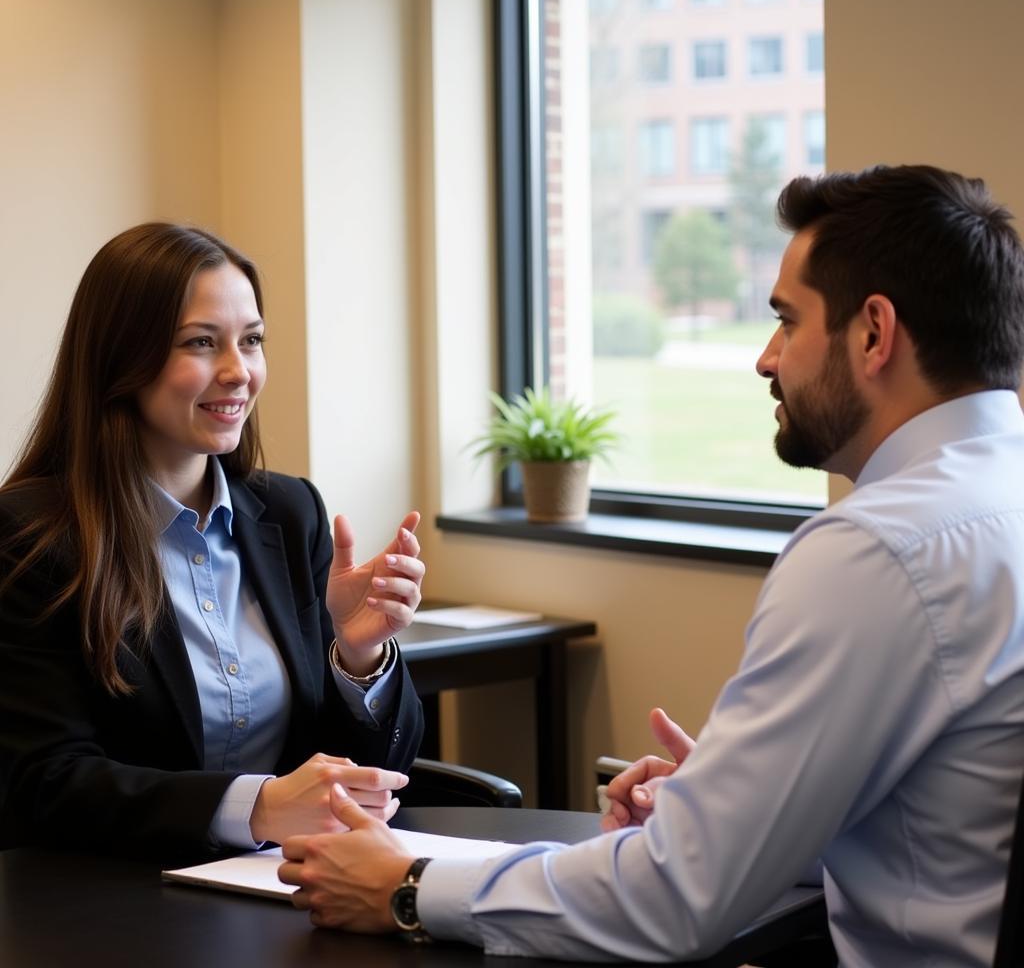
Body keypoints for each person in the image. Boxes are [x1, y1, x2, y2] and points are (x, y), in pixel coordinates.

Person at [278, 165, 1024, 967]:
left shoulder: (878, 550)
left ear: (874, 333)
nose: (766, 360)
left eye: (787, 321)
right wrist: (737, 805)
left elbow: (677, 902)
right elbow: (954, 827)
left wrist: (411, 886)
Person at [0, 223, 425, 861]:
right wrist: (257, 806)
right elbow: (44, 782)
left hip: (281, 889)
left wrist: (357, 657)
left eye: (251, 341)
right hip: (110, 905)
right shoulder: (30, 536)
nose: (238, 372)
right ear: (122, 358)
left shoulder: (290, 512)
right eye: (201, 343)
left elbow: (359, 780)